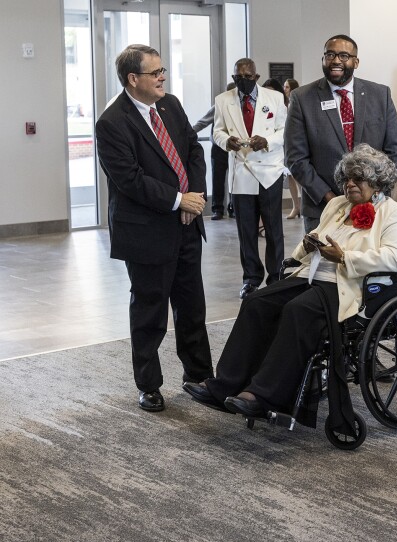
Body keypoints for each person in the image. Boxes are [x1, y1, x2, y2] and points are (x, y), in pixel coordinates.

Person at [183, 144, 397, 437]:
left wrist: (344, 257)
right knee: (256, 301)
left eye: (359, 178)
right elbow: (308, 244)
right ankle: (223, 386)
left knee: (297, 310)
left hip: (348, 285)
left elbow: (394, 258)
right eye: (347, 179)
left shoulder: (394, 213)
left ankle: (263, 395)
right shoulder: (337, 205)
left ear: (377, 181)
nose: (350, 184)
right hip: (311, 275)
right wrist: (307, 244)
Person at [95, 44, 212, 412]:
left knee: (192, 307)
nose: (163, 77)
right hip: (147, 231)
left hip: (187, 225)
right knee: (150, 312)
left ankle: (199, 376)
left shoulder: (171, 105)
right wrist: (179, 200)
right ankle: (148, 384)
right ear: (133, 79)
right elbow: (130, 180)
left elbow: (194, 150)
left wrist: (192, 196)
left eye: (163, 71)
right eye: (156, 72)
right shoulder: (111, 122)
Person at [285, 34, 397, 234]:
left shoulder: (380, 95)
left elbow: (394, 151)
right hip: (322, 207)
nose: (336, 61)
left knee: (370, 263)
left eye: (344, 55)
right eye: (330, 55)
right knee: (324, 264)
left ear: (355, 62)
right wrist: (332, 199)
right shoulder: (302, 98)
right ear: (323, 60)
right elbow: (296, 158)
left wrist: (372, 193)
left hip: (374, 205)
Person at [213, 58, 287, 299]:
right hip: (242, 171)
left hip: (269, 171)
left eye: (247, 77)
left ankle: (276, 276)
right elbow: (217, 131)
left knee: (274, 228)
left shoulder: (274, 98)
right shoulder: (223, 100)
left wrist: (267, 141)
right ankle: (251, 278)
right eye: (237, 77)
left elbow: (284, 130)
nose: (242, 81)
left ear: (256, 77)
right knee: (246, 231)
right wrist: (227, 142)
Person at [193, 82, 237, 221]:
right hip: (219, 148)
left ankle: (233, 208)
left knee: (235, 180)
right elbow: (203, 122)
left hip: (235, 148)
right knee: (217, 179)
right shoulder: (219, 106)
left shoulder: (242, 107)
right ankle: (217, 209)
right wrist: (187, 133)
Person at [282, 78, 303, 219]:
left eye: (287, 87)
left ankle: (303, 205)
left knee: (299, 177)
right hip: (285, 144)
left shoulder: (298, 103)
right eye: (284, 87)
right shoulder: (283, 104)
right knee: (289, 176)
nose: (285, 90)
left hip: (296, 144)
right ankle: (295, 206)